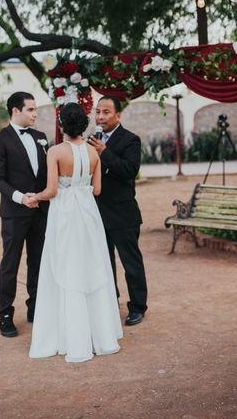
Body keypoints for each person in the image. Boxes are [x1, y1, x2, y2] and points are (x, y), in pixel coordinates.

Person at [29, 102, 122, 362]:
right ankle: (99, 335)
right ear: (83, 125)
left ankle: (68, 336)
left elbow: (51, 191)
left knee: (66, 266)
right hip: (88, 215)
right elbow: (98, 190)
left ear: (61, 126)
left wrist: (33, 197)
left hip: (65, 215)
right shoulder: (94, 153)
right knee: (91, 265)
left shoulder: (55, 151)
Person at [0, 92, 48, 337]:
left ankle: (35, 307)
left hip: (42, 210)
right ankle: (5, 314)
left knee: (38, 260)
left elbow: (47, 174)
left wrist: (41, 196)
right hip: (14, 211)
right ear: (15, 111)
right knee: (10, 262)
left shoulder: (41, 137)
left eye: (35, 110)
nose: (35, 114)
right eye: (30, 110)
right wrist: (21, 197)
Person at [88, 96, 148, 326]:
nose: (100, 117)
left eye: (106, 112)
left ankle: (138, 307)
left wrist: (105, 152)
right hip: (97, 213)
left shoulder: (131, 140)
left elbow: (129, 170)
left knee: (131, 263)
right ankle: (110, 302)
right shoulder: (90, 140)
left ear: (118, 115)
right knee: (105, 262)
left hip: (123, 214)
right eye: (98, 112)